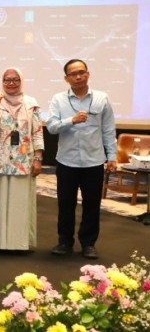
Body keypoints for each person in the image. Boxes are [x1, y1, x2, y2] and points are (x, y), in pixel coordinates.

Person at [46, 59, 116, 259]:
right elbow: (51, 127)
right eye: (73, 74)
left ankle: (88, 244)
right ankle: (64, 242)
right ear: (66, 78)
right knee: (65, 203)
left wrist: (111, 156)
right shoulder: (58, 100)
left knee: (92, 205)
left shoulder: (102, 99)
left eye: (81, 72)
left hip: (93, 161)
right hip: (67, 161)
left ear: (88, 74)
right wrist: (72, 120)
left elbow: (108, 130)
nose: (78, 77)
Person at [0, 67, 43, 251]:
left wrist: (38, 158)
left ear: (21, 81)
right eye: (7, 79)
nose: (11, 83)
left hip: (22, 161)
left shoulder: (31, 103)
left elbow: (37, 133)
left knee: (19, 203)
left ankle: (17, 243)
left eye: (15, 79)